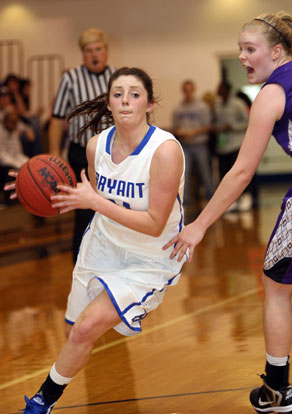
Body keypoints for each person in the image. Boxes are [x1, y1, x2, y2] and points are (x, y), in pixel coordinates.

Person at [5, 67, 186, 413]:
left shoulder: (165, 151)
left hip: (149, 256)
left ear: (149, 104)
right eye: (118, 94)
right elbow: (88, 197)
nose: (125, 101)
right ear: (108, 101)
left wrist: (95, 203)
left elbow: (153, 223)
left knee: (87, 326)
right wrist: (40, 189)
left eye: (135, 94)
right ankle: (46, 400)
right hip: (103, 246)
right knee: (78, 331)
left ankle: (41, 402)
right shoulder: (95, 146)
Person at [164, 11, 292, 414]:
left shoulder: (272, 94)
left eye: (249, 49)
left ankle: (277, 392)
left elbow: (240, 172)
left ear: (276, 52)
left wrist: (199, 226)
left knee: (275, 286)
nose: (242, 56)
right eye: (239, 49)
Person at [48, 28, 115, 263]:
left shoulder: (117, 77)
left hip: (113, 154)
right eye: (89, 51)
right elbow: (57, 118)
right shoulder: (70, 78)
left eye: (98, 49)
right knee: (84, 212)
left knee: (113, 209)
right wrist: (55, 155)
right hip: (81, 155)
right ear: (82, 54)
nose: (94, 55)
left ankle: (111, 260)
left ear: (106, 52)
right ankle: (81, 264)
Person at [172, 80, 214, 213]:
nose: (188, 92)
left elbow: (207, 125)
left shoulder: (202, 107)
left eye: (190, 89)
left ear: (193, 90)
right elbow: (175, 128)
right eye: (185, 90)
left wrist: (193, 132)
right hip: (185, 145)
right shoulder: (178, 109)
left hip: (200, 144)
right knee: (185, 173)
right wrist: (181, 133)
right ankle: (185, 200)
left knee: (205, 172)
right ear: (183, 91)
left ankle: (211, 196)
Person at [212, 80, 250, 212]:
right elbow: (216, 123)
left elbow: (247, 123)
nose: (218, 91)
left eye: (220, 88)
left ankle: (244, 198)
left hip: (236, 144)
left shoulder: (238, 104)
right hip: (222, 146)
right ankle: (229, 202)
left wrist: (232, 127)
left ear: (227, 90)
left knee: (237, 174)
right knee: (224, 174)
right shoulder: (217, 105)